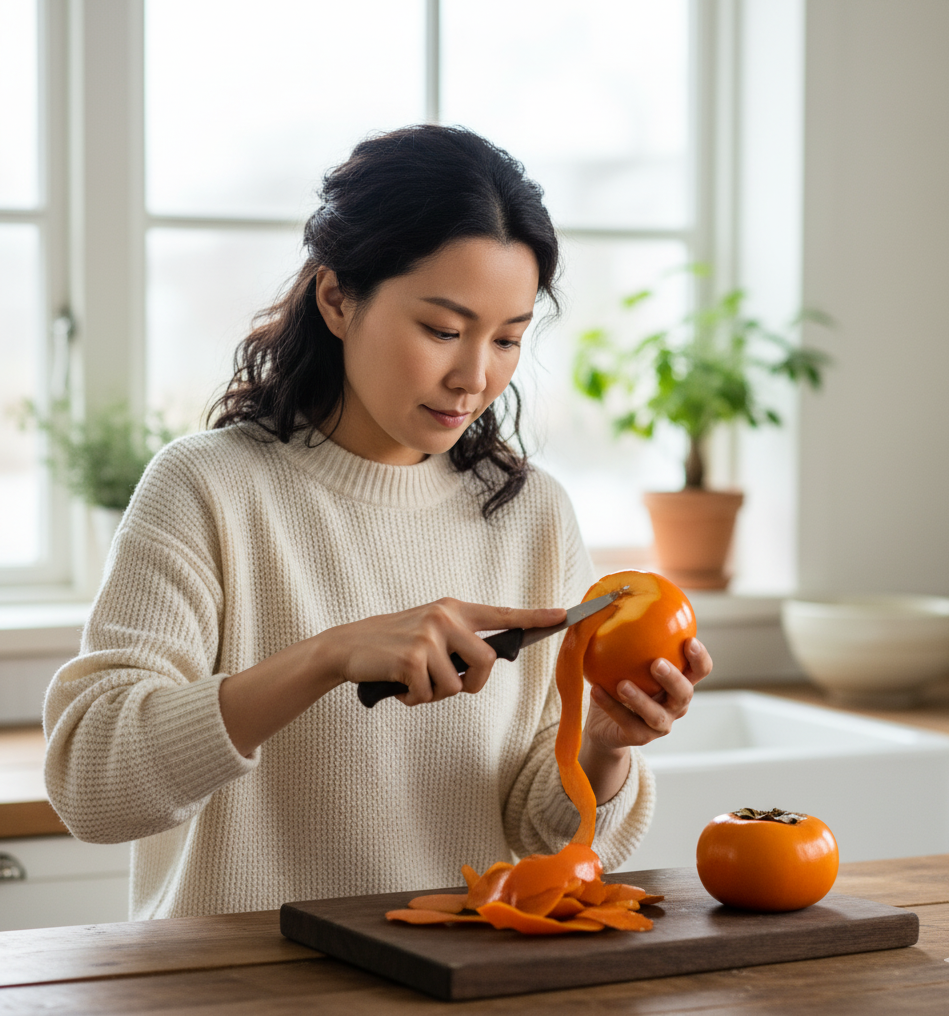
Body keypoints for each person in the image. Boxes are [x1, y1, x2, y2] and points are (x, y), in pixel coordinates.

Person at [43, 125, 713, 920]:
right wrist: (327, 656)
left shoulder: (533, 514)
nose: (473, 377)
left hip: (455, 979)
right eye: (441, 330)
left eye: (507, 339)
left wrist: (600, 745)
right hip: (235, 988)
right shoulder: (207, 487)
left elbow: (540, 837)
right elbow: (94, 789)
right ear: (336, 298)